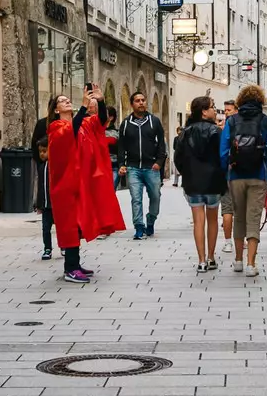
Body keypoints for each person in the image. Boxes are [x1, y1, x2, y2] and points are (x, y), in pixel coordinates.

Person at [46, 84, 125, 282]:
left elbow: (101, 120)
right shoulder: (56, 128)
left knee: (79, 224)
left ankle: (75, 264)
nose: (67, 102)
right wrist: (82, 107)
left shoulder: (83, 124)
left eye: (67, 99)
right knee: (70, 226)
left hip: (81, 185)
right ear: (56, 110)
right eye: (62, 101)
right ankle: (70, 269)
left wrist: (100, 100)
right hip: (65, 186)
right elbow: (68, 135)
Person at [219, 85, 267, 275]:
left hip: (236, 176)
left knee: (239, 217)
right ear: (260, 101)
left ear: (240, 101)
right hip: (258, 175)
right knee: (253, 218)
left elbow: (223, 151)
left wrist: (227, 169)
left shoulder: (231, 121)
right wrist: (266, 169)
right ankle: (251, 264)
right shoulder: (266, 122)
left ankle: (237, 260)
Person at [174, 95, 226, 272]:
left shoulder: (184, 133)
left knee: (198, 221)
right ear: (204, 112)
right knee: (212, 220)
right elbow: (223, 156)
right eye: (212, 107)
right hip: (213, 182)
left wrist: (186, 172)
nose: (214, 110)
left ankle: (201, 261)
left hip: (193, 182)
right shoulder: (217, 132)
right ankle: (211, 257)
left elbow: (177, 158)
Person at [117, 91, 168, 240]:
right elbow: (121, 146)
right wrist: (122, 164)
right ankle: (139, 227)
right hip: (133, 168)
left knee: (155, 196)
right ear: (132, 104)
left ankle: (151, 219)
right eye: (137, 101)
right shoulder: (126, 123)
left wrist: (159, 162)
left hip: (151, 167)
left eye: (143, 100)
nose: (141, 103)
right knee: (136, 198)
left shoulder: (154, 121)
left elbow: (161, 144)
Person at [31, 97, 63, 260]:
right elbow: (34, 146)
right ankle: (48, 248)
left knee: (61, 225)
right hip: (45, 202)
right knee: (46, 227)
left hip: (58, 199)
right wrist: (38, 203)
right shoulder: (43, 124)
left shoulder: (69, 124)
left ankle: (64, 246)